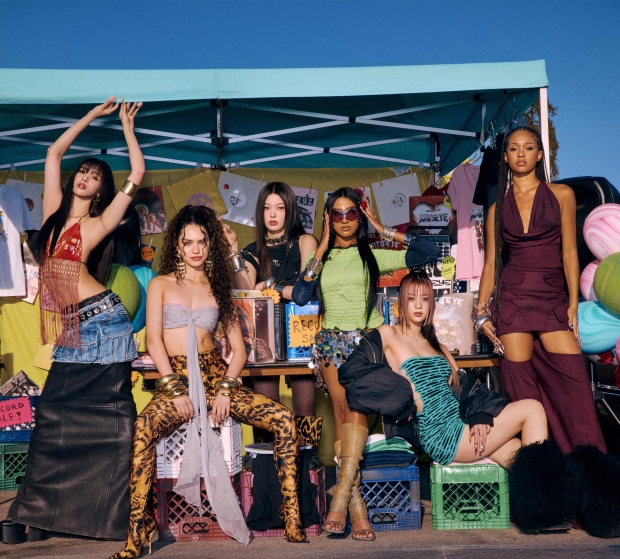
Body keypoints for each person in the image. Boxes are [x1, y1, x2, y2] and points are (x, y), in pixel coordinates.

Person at [342, 269, 620, 537]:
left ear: (431, 305)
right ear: (401, 302)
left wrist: (479, 416)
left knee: (523, 457)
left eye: (425, 299)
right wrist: (405, 390)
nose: (418, 305)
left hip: (461, 426)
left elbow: (467, 392)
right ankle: (542, 513)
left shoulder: (437, 347)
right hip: (440, 434)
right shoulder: (387, 334)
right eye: (411, 298)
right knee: (532, 409)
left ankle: (584, 508)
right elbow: (351, 372)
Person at [110, 205, 308, 559]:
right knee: (142, 430)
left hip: (216, 375)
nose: (196, 249)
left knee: (283, 418)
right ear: (177, 245)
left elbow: (239, 351)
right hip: (176, 377)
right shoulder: (160, 283)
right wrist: (173, 389)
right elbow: (153, 340)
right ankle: (138, 530)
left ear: (210, 243)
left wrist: (227, 389)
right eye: (188, 242)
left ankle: (291, 515)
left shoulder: (218, 287)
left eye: (202, 241)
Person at [5, 98, 145, 541]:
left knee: (112, 425)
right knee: (53, 419)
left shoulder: (98, 224)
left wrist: (126, 128)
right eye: (83, 172)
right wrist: (91, 117)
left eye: (95, 176)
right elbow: (53, 153)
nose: (85, 177)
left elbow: (137, 173)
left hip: (104, 324)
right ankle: (42, 513)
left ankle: (109, 519)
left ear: (101, 190)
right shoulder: (51, 215)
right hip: (73, 330)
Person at [291, 187, 440, 540]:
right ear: (328, 218)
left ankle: (342, 498)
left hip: (367, 345)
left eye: (351, 213)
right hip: (331, 343)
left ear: (359, 217)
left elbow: (429, 251)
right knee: (343, 417)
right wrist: (322, 245)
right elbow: (300, 294)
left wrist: (382, 228)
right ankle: (355, 510)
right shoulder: (322, 258)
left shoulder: (371, 254)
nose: (345, 220)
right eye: (337, 214)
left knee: (355, 412)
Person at [474, 126, 606, 453]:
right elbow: (491, 265)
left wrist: (572, 303)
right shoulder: (496, 209)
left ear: (540, 154)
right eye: (513, 148)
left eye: (529, 147)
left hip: (551, 299)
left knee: (575, 388)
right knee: (524, 395)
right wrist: (480, 312)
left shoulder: (562, 194)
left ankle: (590, 469)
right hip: (512, 300)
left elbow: (570, 253)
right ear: (505, 158)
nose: (521, 154)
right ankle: (542, 473)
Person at [228, 181, 321, 448]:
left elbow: (305, 292)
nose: (272, 214)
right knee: (266, 410)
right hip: (264, 337)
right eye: (267, 208)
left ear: (289, 210)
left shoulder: (305, 242)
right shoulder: (252, 250)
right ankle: (266, 465)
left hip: (302, 335)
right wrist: (234, 251)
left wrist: (269, 285)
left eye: (279, 208)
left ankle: (307, 463)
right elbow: (247, 293)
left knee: (305, 409)